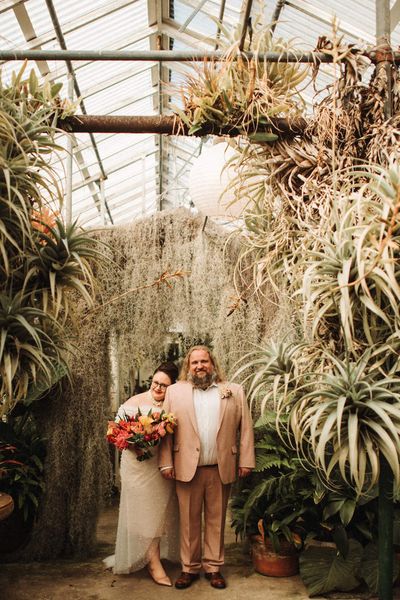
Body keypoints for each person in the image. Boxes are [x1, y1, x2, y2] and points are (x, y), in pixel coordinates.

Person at [159, 346, 255, 590]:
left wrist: (245, 460)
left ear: (213, 364)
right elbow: (165, 432)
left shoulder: (233, 391)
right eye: (195, 363)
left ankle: (213, 568)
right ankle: (188, 569)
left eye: (204, 361)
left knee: (216, 519)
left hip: (220, 467)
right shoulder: (174, 392)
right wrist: (166, 462)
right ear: (188, 367)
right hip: (185, 467)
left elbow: (245, 429)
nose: (199, 366)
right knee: (188, 522)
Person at [104, 362, 180, 586]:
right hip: (135, 467)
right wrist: (131, 442)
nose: (158, 388)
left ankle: (152, 555)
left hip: (159, 466)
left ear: (172, 387)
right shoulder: (133, 402)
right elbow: (115, 431)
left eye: (164, 385)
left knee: (157, 512)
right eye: (156, 382)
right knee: (141, 512)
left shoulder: (172, 406)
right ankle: (153, 562)